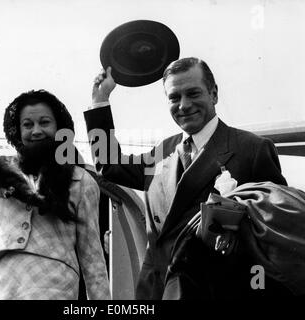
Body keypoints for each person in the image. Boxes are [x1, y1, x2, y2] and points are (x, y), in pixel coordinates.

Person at [84, 57, 289, 299]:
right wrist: (100, 101)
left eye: (193, 94)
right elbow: (110, 165)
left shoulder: (252, 149)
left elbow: (275, 235)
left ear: (213, 94)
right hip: (158, 291)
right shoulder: (162, 152)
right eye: (174, 97)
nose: (183, 105)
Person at [0, 87, 110, 300]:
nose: (36, 131)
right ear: (17, 131)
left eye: (44, 122)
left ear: (60, 128)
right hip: (4, 287)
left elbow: (92, 259)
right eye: (27, 125)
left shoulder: (81, 181)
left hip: (55, 287)